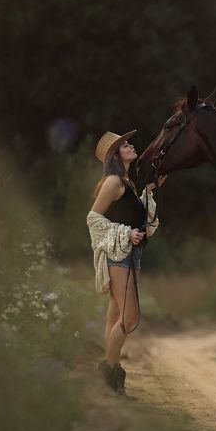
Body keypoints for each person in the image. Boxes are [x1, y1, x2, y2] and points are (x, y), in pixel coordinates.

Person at [86, 130, 164, 393]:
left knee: (116, 316)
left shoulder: (126, 182)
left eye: (129, 143)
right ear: (115, 156)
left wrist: (149, 192)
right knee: (129, 318)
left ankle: (111, 374)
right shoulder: (112, 182)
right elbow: (93, 219)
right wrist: (125, 234)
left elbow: (130, 214)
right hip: (120, 255)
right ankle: (107, 373)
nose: (131, 146)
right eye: (124, 145)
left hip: (131, 255)